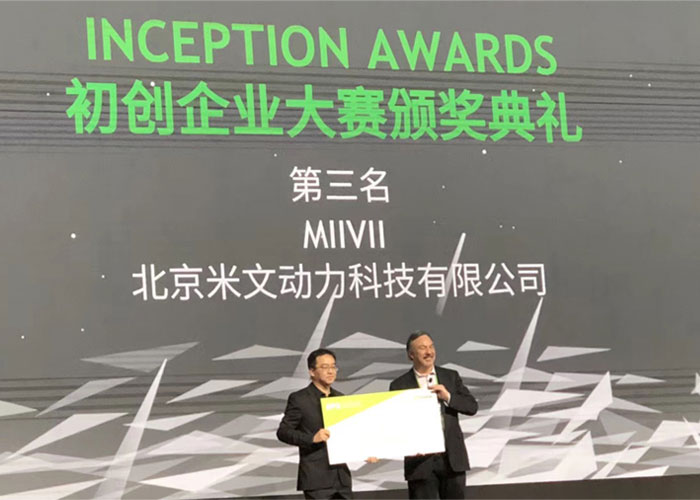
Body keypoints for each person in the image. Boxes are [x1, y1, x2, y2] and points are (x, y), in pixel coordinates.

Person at [389, 331, 478, 499]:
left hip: (452, 459)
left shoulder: (450, 377)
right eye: (422, 348)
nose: (429, 352)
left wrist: (448, 397)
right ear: (411, 355)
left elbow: (472, 406)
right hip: (420, 462)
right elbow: (395, 424)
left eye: (431, 347)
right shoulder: (399, 385)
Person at [277, 348, 353, 499]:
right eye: (325, 367)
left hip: (341, 478)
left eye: (333, 367)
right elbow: (283, 432)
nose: (330, 371)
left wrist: (365, 451)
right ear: (312, 371)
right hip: (316, 479)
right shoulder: (300, 399)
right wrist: (312, 438)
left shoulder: (341, 398)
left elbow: (349, 433)